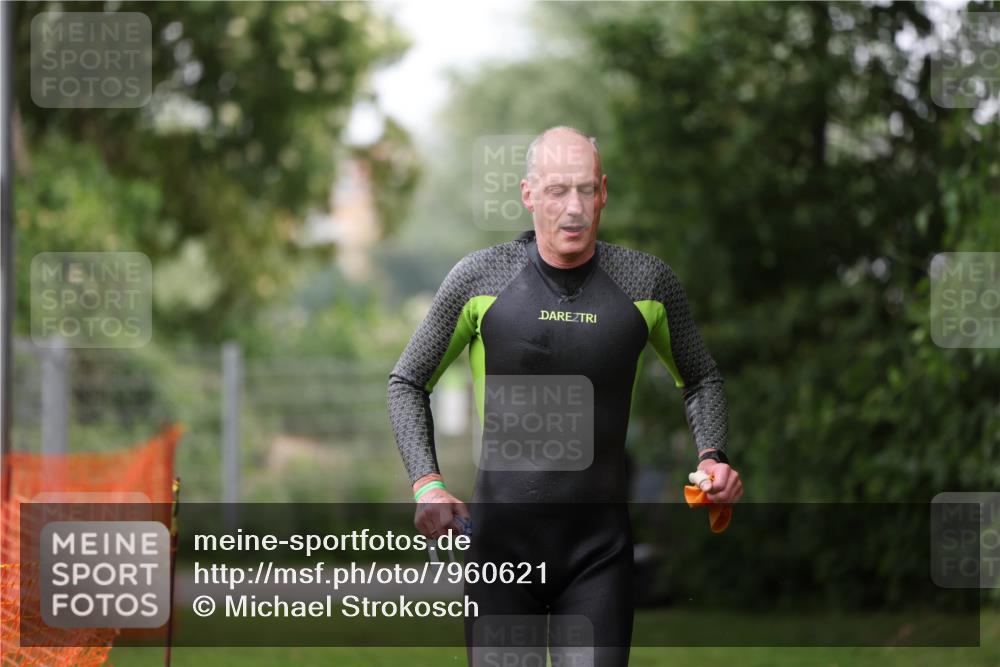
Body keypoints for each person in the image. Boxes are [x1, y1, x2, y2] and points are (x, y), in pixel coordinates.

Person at [387, 126, 743, 666]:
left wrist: (712, 456)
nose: (573, 209)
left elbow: (702, 379)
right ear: (529, 194)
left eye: (585, 190)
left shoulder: (647, 283)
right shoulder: (479, 279)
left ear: (603, 192)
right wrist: (428, 486)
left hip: (597, 557)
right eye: (557, 191)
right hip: (500, 557)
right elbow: (407, 381)